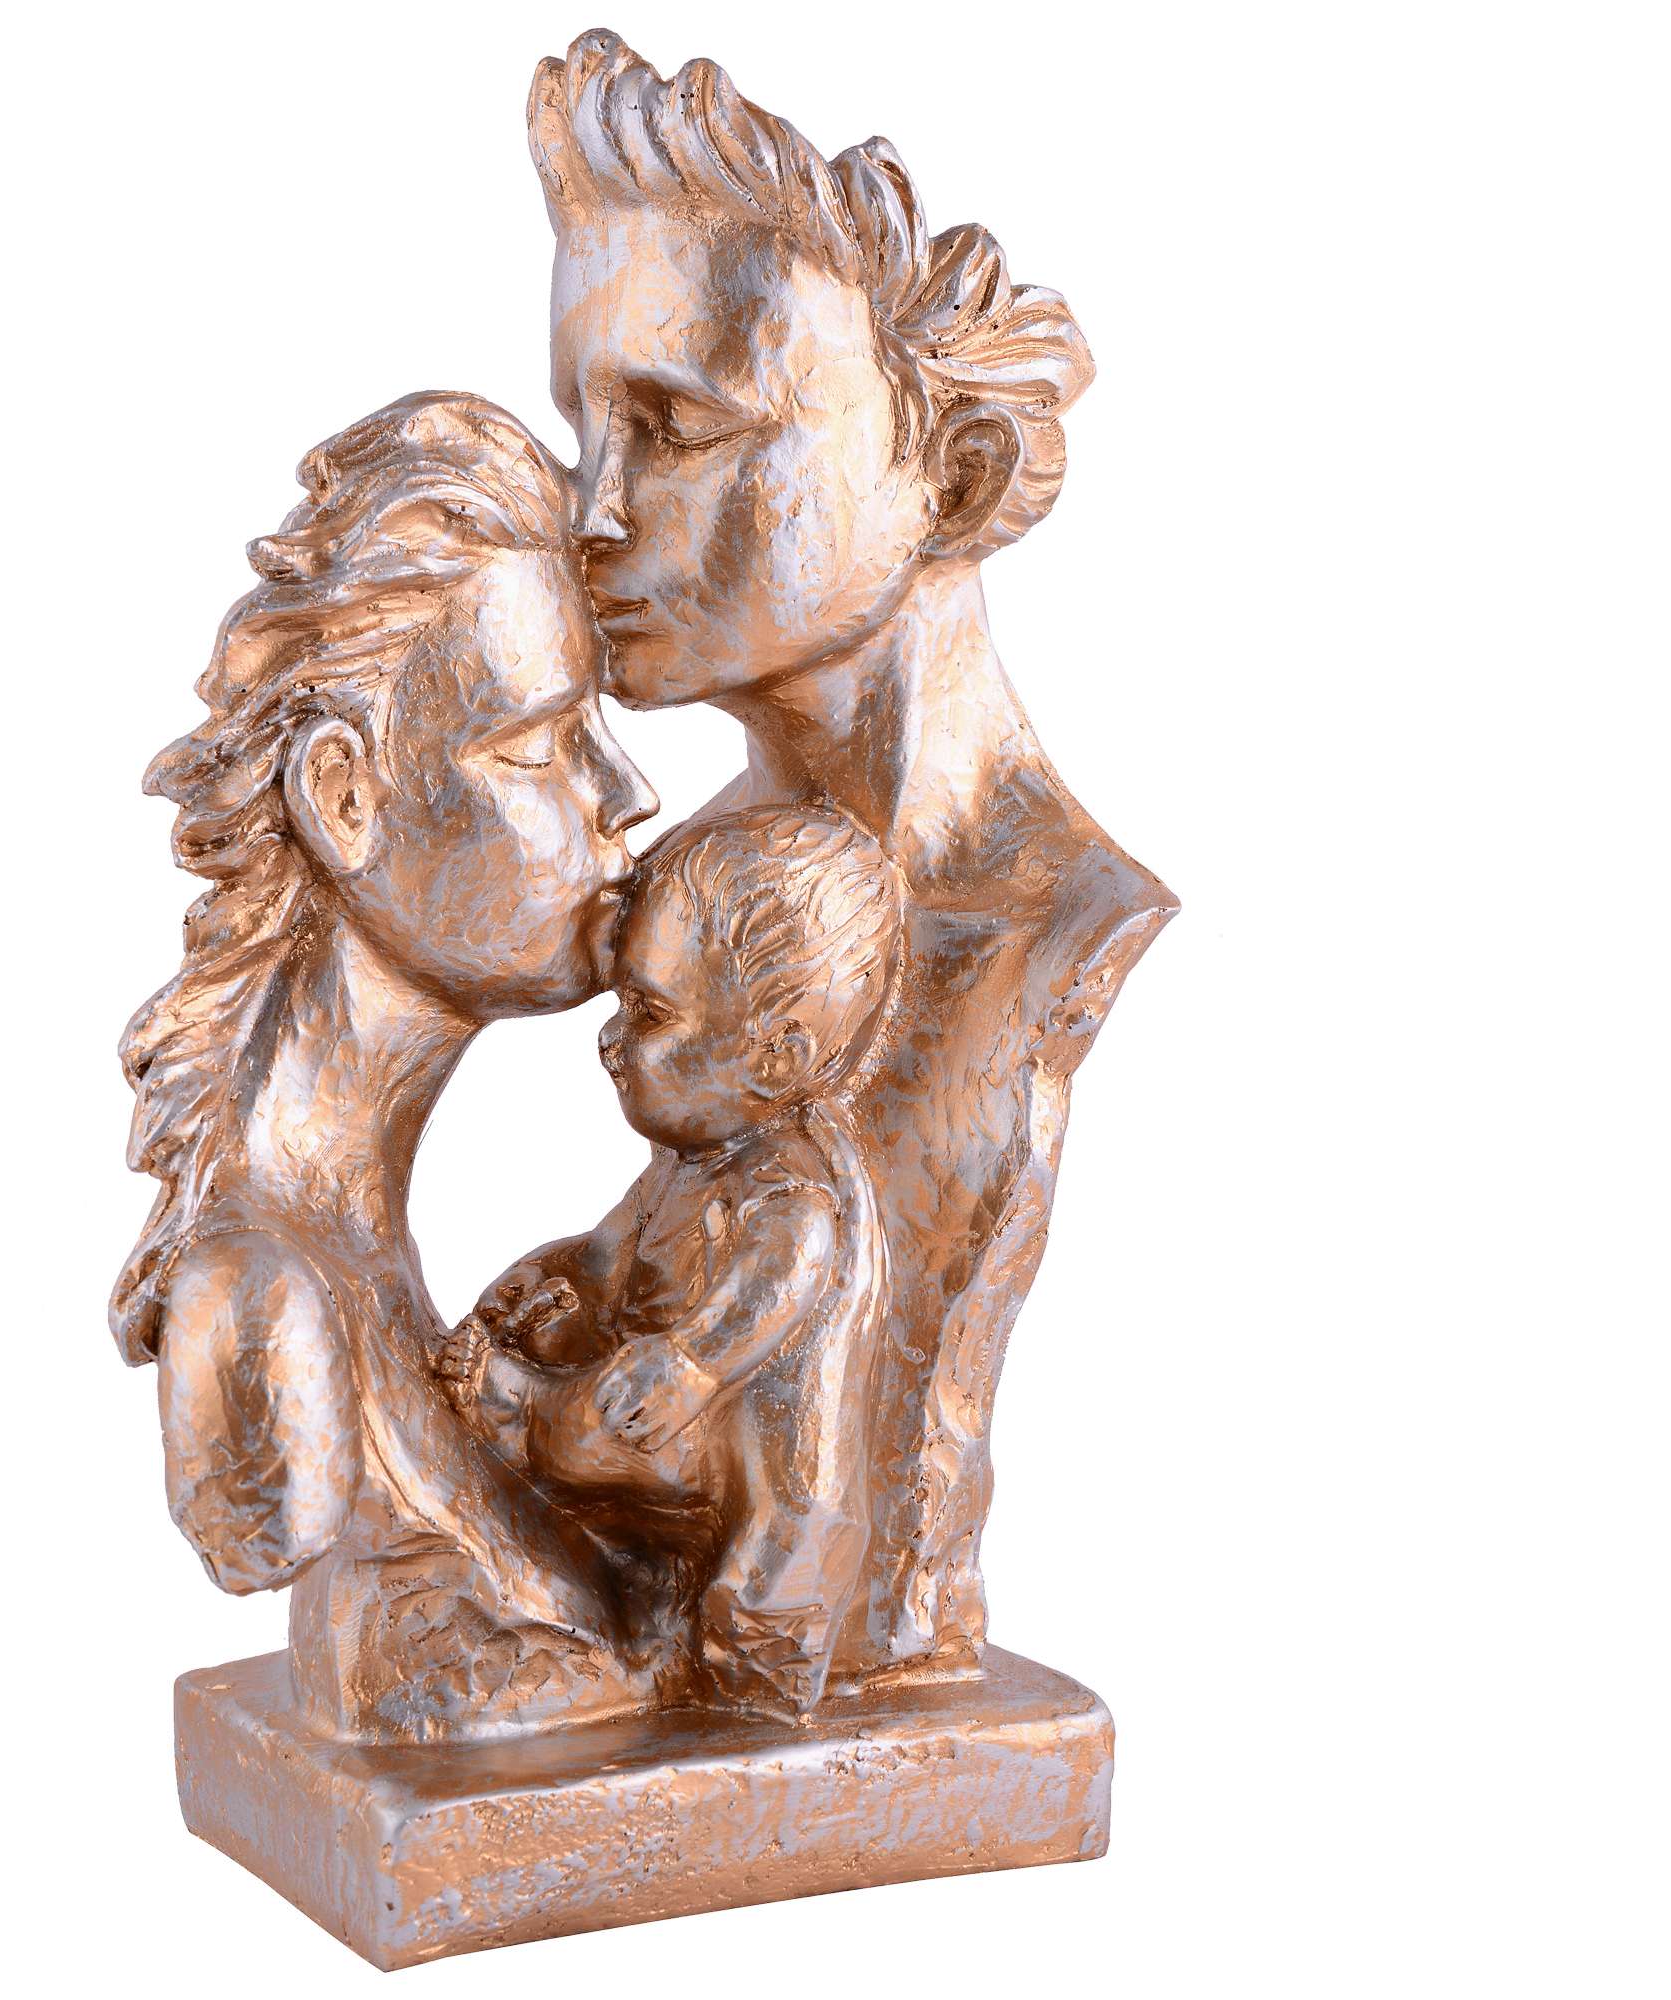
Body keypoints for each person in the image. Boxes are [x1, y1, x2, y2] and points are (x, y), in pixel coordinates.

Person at [526, 31, 1181, 1680]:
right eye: (582, 428)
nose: (590, 509)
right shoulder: (678, 887)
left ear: (949, 477)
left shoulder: (1043, 929)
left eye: (679, 426)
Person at [111, 390, 663, 1737]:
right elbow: (265, 1526)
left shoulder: (354, 1256)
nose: (626, 791)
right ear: (344, 796)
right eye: (539, 744)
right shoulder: (265, 1304)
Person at [438, 806, 898, 1716]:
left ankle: (513, 1408)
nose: (610, 1041)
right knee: (597, 1388)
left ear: (777, 1058)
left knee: (598, 1423)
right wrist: (558, 1274)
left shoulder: (786, 1185)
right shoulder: (688, 1164)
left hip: (755, 1509)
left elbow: (787, 1269)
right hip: (674, 1480)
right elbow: (608, 1251)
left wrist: (694, 1361)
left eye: (648, 1013)